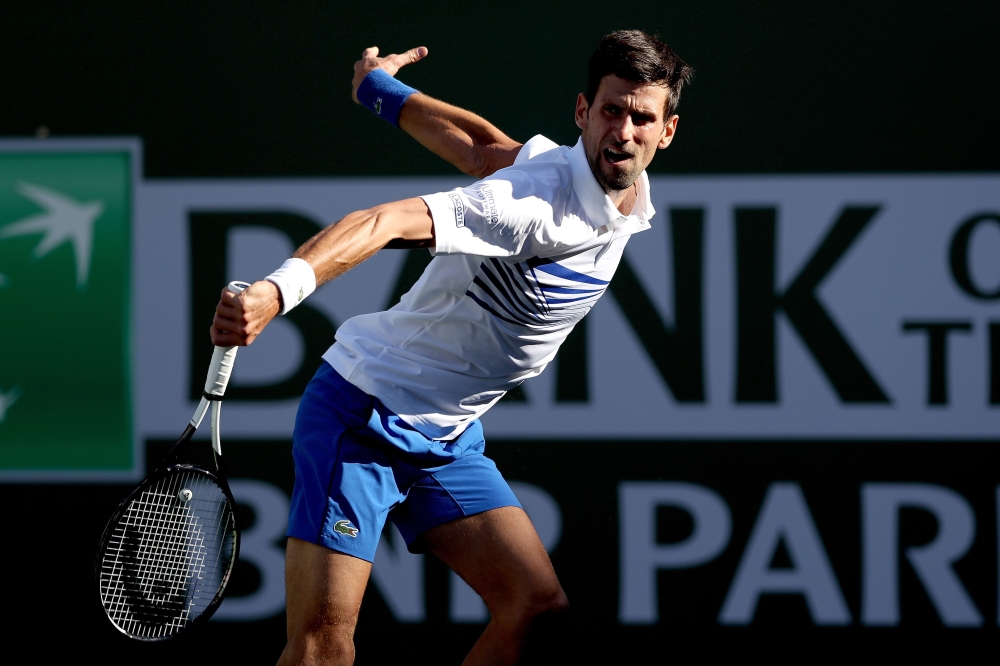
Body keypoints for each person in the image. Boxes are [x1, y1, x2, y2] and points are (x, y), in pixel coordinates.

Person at [211, 30, 692, 666]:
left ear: (667, 130)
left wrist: (381, 91)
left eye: (641, 117)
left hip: (444, 437)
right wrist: (279, 290)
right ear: (583, 112)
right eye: (610, 111)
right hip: (363, 412)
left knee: (535, 609)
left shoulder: (621, 196)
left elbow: (481, 146)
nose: (623, 132)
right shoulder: (534, 203)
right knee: (323, 646)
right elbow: (384, 223)